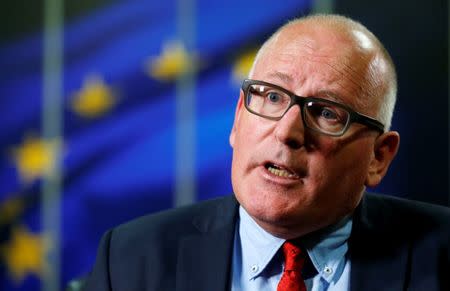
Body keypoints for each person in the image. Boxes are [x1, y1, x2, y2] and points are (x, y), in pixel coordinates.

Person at [83, 14, 450, 291]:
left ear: (378, 157)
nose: (288, 131)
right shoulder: (129, 260)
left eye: (326, 112)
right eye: (272, 97)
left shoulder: (440, 251)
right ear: (238, 117)